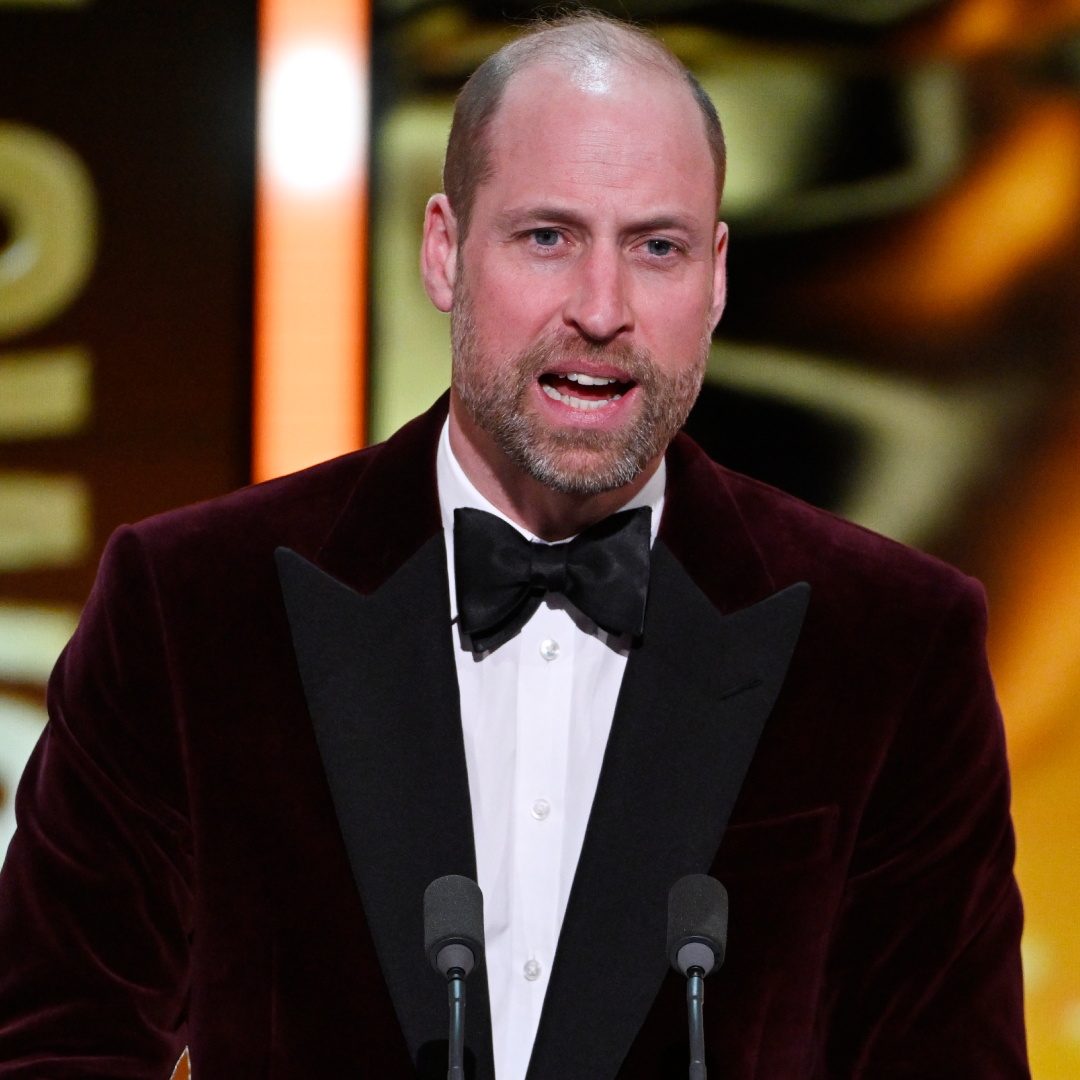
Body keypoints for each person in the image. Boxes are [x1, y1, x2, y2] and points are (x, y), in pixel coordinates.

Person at [0, 14, 1027, 1080]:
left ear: (716, 278)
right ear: (444, 248)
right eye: (548, 237)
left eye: (657, 247)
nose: (600, 309)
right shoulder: (191, 609)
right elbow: (52, 1045)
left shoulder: (891, 647)